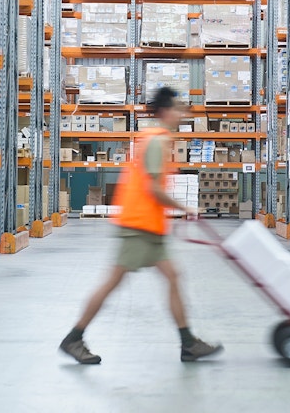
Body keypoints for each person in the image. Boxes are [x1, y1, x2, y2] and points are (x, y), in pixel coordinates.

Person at [59, 87, 223, 364]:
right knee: (112, 283)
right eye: (177, 108)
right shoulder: (157, 141)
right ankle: (74, 337)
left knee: (172, 277)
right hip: (138, 227)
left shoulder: (159, 139)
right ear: (165, 112)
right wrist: (187, 208)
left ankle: (188, 343)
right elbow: (153, 189)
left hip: (150, 227)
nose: (181, 113)